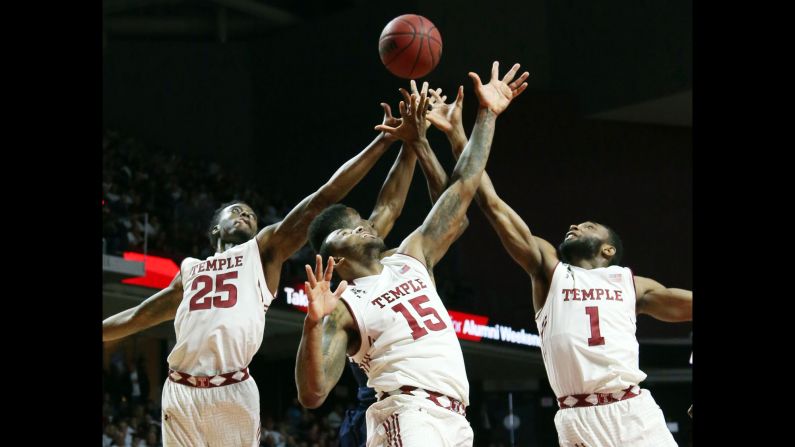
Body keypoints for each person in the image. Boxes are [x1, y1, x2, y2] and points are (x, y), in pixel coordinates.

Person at [102, 105, 421, 446]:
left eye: (251, 215)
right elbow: (138, 316)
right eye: (236, 211)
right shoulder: (189, 270)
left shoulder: (263, 250)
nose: (246, 216)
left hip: (231, 390)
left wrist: (382, 143)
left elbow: (323, 197)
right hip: (179, 390)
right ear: (215, 228)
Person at [425, 85, 692, 446]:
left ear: (609, 250)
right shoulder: (549, 270)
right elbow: (490, 202)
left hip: (631, 412)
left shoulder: (633, 285)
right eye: (576, 225)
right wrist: (457, 133)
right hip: (575, 417)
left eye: (589, 226)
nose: (576, 226)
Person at [295, 61, 529, 447]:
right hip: (406, 412)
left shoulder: (411, 255)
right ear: (332, 260)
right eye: (345, 229)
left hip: (454, 416)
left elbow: (463, 187)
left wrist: (486, 115)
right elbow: (313, 394)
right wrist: (312, 324)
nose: (361, 226)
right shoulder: (342, 305)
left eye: (360, 222)